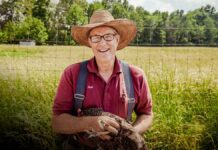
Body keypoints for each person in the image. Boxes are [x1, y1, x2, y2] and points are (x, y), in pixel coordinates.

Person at [52, 10, 153, 149]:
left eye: (108, 36)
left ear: (117, 39)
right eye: (96, 37)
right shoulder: (72, 74)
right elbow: (57, 122)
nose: (102, 43)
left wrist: (129, 133)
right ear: (89, 42)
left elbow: (146, 114)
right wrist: (91, 123)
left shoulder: (136, 75)